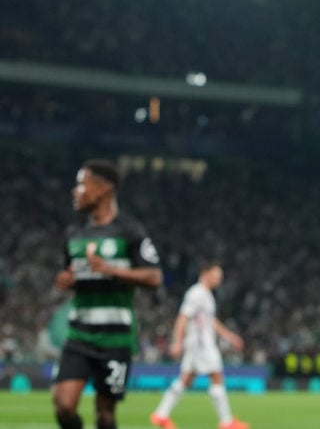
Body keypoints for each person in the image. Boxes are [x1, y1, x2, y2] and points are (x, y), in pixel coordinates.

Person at [52, 159, 163, 429]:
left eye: (81, 184)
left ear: (102, 189)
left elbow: (154, 276)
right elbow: (71, 273)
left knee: (105, 414)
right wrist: (67, 280)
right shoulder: (74, 234)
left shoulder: (130, 230)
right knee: (64, 407)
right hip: (79, 334)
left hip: (116, 337)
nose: (75, 191)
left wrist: (112, 270)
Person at [149, 261, 249, 429]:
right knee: (217, 377)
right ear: (205, 274)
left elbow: (211, 322)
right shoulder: (196, 294)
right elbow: (182, 317)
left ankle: (161, 415)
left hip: (198, 345)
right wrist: (176, 342)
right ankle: (227, 422)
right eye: (217, 275)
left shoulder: (206, 295)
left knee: (185, 380)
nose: (219, 279)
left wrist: (230, 337)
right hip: (202, 345)